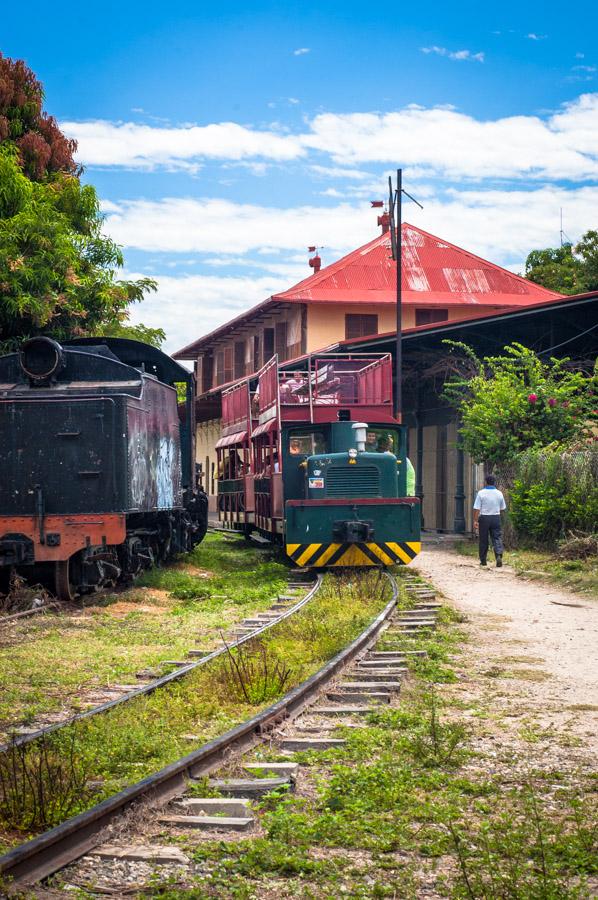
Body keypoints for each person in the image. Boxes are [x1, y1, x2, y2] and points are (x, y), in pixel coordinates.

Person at [473, 474, 506, 567]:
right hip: (496, 517)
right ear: (494, 482)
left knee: (483, 539)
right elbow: (502, 508)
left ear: (486, 482)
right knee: (497, 537)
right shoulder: (499, 493)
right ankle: (498, 556)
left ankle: (483, 560)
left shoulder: (481, 493)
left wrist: (475, 521)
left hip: (484, 518)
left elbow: (477, 508)